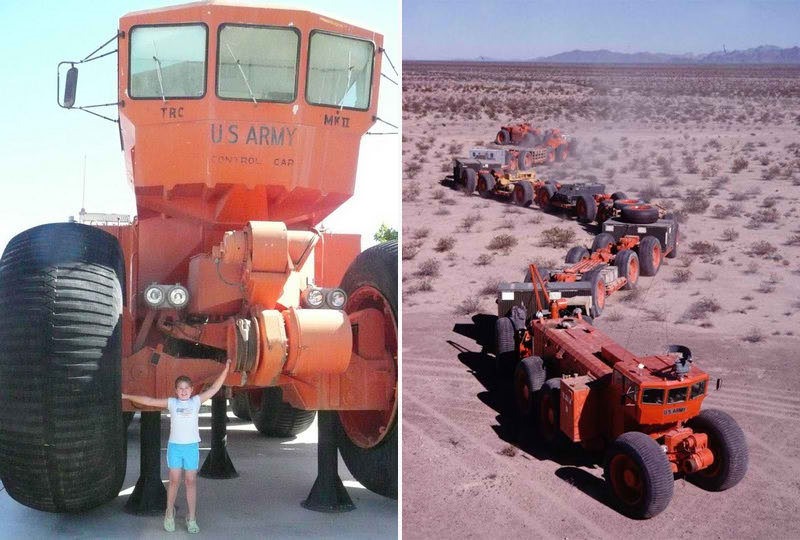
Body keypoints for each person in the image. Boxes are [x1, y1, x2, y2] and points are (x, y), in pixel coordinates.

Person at [122, 359, 231, 534]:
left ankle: (192, 517)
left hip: (191, 448)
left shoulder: (196, 401)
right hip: (175, 448)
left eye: (186, 388)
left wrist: (225, 369)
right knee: (173, 481)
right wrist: (126, 396)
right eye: (180, 389)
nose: (183, 391)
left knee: (190, 481)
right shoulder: (172, 403)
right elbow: (149, 401)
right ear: (176, 391)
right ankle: (169, 513)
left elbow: (213, 389)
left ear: (191, 390)